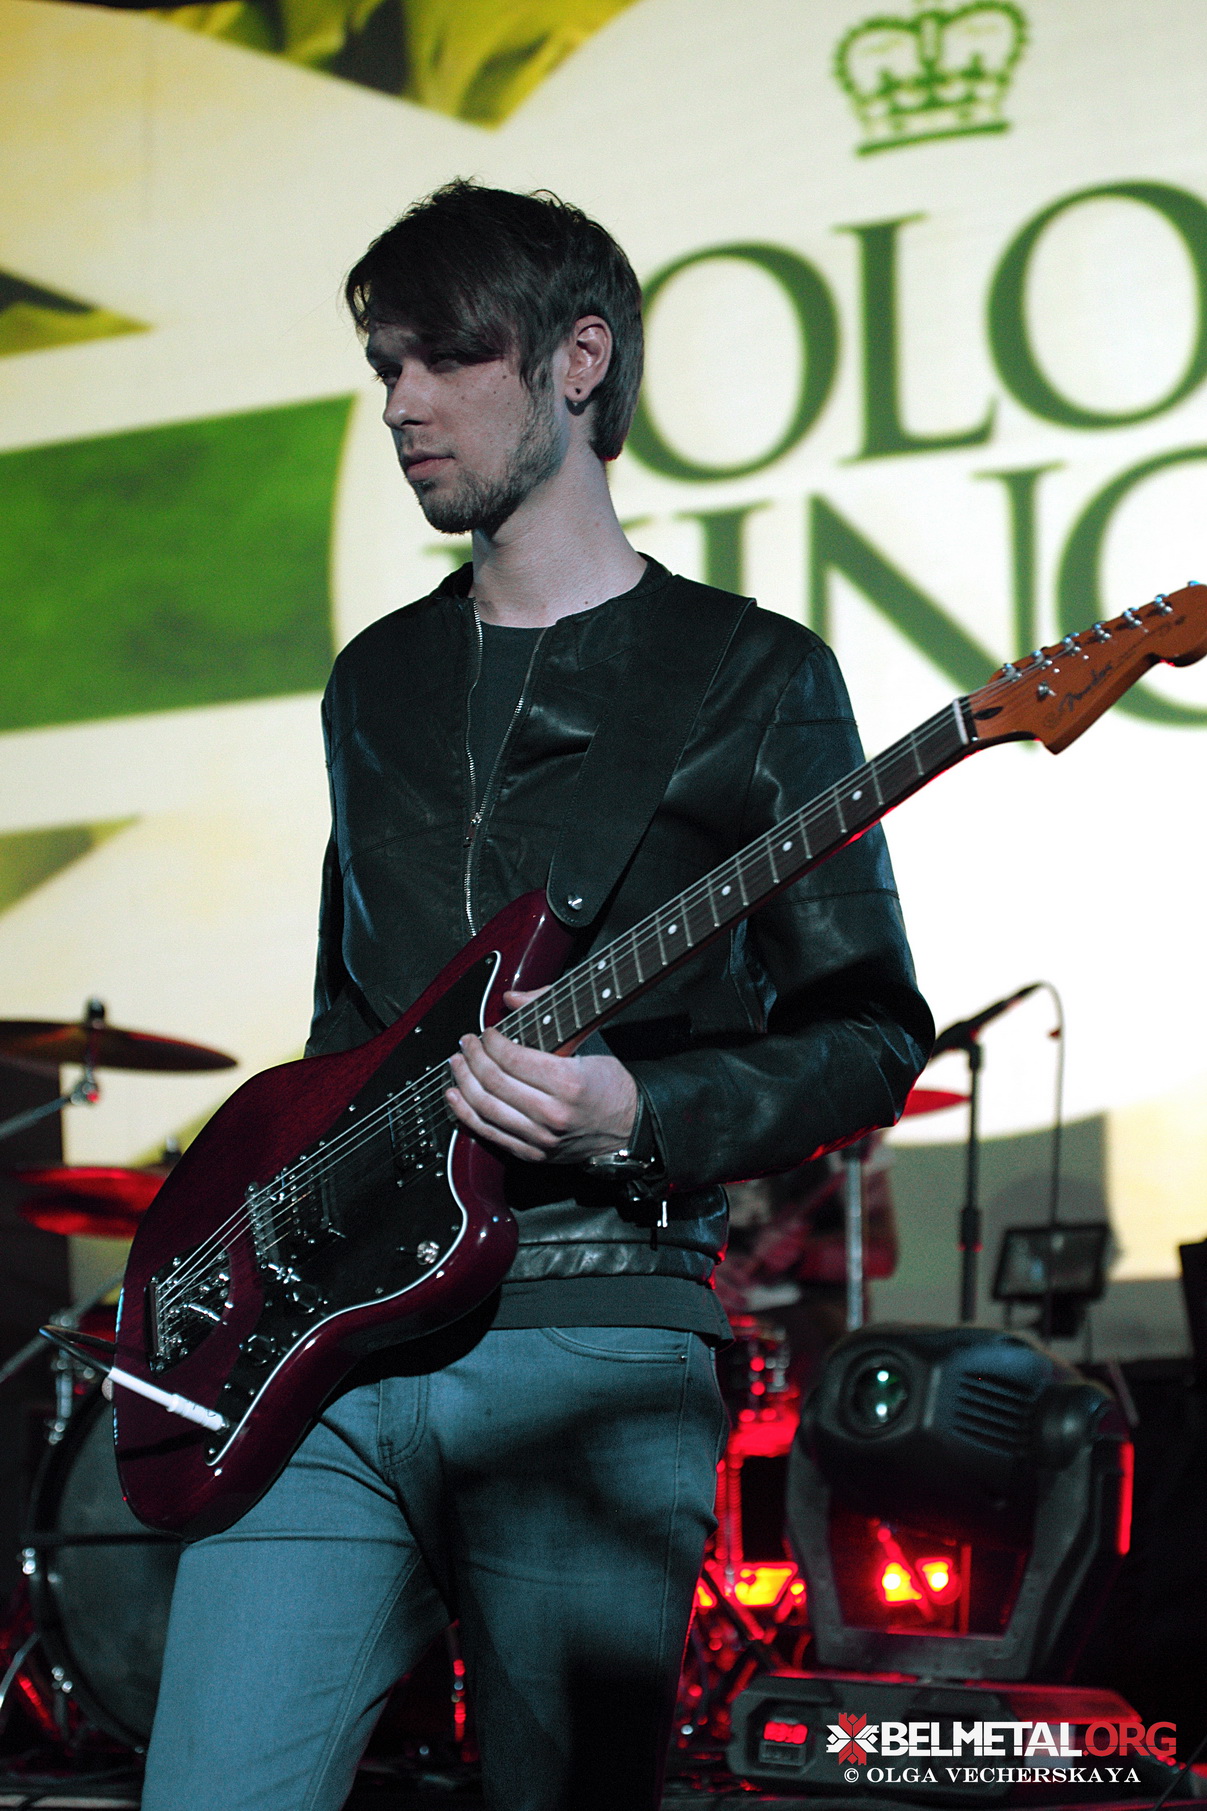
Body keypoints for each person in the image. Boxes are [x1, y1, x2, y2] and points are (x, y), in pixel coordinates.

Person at [141, 179, 932, 1811]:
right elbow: (345, 1032)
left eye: (446, 358)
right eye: (385, 365)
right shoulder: (375, 681)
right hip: (329, 1365)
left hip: (593, 1339)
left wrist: (640, 1111)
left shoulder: (755, 676)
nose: (402, 404)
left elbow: (869, 1038)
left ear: (580, 361)